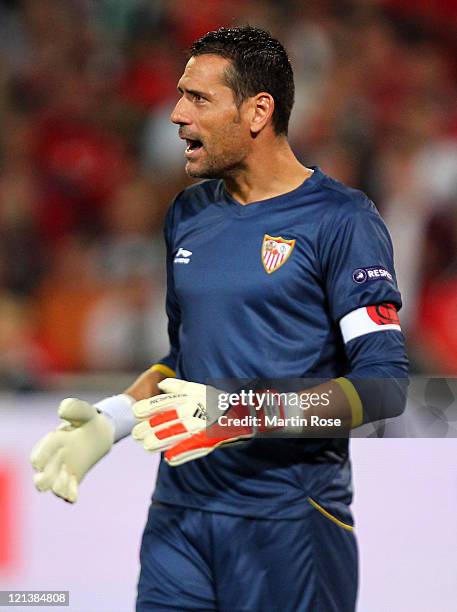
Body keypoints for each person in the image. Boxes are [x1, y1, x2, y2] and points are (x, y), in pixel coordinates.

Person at [30, 26, 408, 611]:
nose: (176, 114)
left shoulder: (343, 221)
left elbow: (383, 388)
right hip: (179, 515)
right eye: (180, 94)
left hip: (289, 520)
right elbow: (186, 362)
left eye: (199, 99)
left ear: (258, 111)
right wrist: (110, 421)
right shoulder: (188, 213)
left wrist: (231, 411)